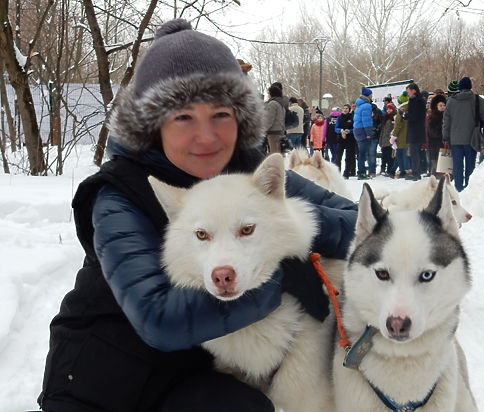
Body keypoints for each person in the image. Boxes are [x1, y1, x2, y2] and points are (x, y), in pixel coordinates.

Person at [38, 19, 358, 412]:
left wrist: (285, 228)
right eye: (184, 118)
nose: (206, 137)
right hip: (101, 386)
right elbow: (158, 318)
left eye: (221, 115)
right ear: (153, 125)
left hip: (187, 373)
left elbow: (357, 221)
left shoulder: (245, 171)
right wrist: (280, 277)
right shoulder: (120, 192)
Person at [443, 76, 484, 191]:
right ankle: (469, 187)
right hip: (472, 138)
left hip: (455, 139)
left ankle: (458, 188)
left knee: (457, 166)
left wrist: (445, 136)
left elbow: (446, 122)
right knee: (470, 165)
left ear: (459, 88)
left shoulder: (451, 102)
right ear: (470, 87)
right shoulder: (478, 100)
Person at [402, 82, 426, 181]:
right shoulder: (415, 100)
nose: (408, 94)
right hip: (415, 130)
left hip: (416, 130)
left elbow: (415, 116)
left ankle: (416, 172)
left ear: (413, 91)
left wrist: (405, 115)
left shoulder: (418, 101)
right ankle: (416, 171)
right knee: (414, 152)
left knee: (414, 152)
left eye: (408, 92)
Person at [354, 87, 376, 180]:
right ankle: (361, 173)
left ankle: (361, 172)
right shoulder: (367, 106)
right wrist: (369, 133)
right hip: (363, 130)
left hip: (357, 130)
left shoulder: (359, 104)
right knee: (363, 153)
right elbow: (366, 121)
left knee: (361, 153)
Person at [426, 94, 447, 176]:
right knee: (436, 168)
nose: (442, 107)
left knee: (443, 169)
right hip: (435, 147)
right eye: (440, 105)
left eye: (444, 105)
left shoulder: (446, 116)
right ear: (436, 106)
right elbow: (432, 132)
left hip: (444, 147)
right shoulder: (432, 117)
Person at [392, 91, 411, 179]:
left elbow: (398, 125)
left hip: (401, 137)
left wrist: (394, 135)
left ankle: (403, 171)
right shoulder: (409, 111)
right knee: (404, 154)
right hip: (407, 136)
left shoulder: (401, 112)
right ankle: (405, 170)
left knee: (400, 155)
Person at [335, 103, 356, 179]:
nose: (345, 110)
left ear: (349, 109)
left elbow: (355, 129)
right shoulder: (339, 117)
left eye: (346, 108)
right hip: (341, 139)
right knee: (338, 157)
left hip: (350, 139)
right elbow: (336, 128)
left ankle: (347, 172)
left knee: (349, 157)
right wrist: (340, 130)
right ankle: (337, 172)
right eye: (344, 108)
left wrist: (349, 131)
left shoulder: (352, 117)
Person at [264, 84, 286, 153]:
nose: (268, 95)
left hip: (273, 133)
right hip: (279, 131)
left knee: (274, 153)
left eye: (268, 93)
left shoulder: (272, 104)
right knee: (278, 152)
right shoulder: (280, 103)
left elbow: (269, 119)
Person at [379, 102, 396, 176]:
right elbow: (383, 129)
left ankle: (390, 170)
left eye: (390, 109)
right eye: (387, 109)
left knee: (390, 156)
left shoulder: (394, 117)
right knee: (384, 156)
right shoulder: (384, 117)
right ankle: (383, 169)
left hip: (390, 139)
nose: (389, 110)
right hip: (384, 139)